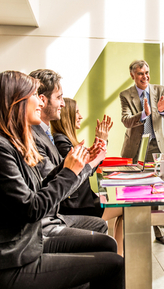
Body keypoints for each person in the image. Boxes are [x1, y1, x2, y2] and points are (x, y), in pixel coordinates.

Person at [0, 71, 124, 289]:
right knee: (115, 264)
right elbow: (32, 208)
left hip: (27, 248)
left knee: (106, 247)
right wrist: (70, 171)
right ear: (15, 102)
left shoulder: (8, 142)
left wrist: (72, 166)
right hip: (10, 264)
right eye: (35, 95)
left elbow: (38, 190)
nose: (39, 102)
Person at [29, 68, 108, 237]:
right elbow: (53, 180)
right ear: (42, 100)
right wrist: (88, 163)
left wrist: (85, 159)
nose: (63, 104)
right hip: (55, 216)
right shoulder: (38, 136)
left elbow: (56, 173)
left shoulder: (46, 133)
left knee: (103, 230)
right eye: (59, 98)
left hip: (57, 212)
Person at [51, 97, 124, 256]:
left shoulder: (64, 140)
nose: (80, 116)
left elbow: (87, 167)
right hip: (77, 206)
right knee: (125, 209)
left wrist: (101, 141)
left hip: (80, 202)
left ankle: (119, 257)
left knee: (123, 210)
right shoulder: (62, 143)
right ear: (67, 116)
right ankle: (119, 258)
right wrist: (101, 141)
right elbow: (82, 172)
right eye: (76, 112)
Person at [120, 59, 164, 246]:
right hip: (135, 148)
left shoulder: (159, 90)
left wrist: (162, 111)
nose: (145, 76)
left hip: (155, 146)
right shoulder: (125, 95)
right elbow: (126, 120)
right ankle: (136, 230)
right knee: (134, 188)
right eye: (140, 74)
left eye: (146, 72)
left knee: (157, 189)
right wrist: (144, 114)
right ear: (132, 76)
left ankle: (160, 232)